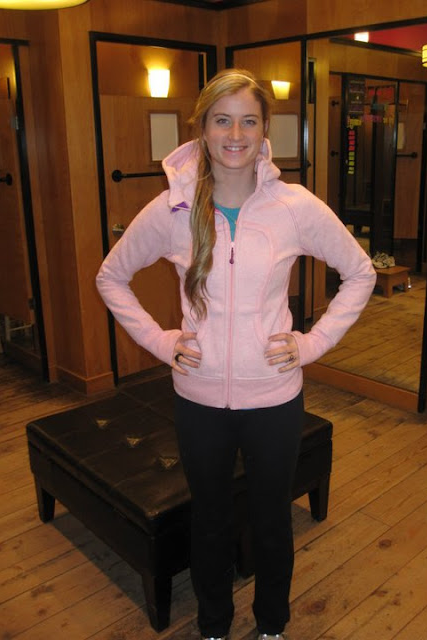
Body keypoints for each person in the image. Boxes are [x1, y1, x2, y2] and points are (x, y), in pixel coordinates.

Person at [96, 68, 376, 640]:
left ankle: (272, 625)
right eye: (222, 120)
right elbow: (111, 276)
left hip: (274, 399)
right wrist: (162, 341)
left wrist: (312, 343)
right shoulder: (173, 208)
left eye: (249, 121)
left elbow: (360, 271)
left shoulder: (293, 206)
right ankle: (214, 626)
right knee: (210, 522)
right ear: (201, 128)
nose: (235, 134)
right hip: (199, 401)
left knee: (272, 523)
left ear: (264, 129)